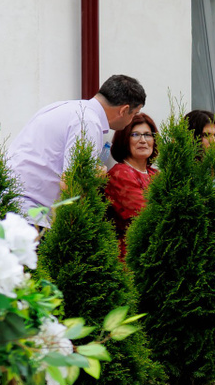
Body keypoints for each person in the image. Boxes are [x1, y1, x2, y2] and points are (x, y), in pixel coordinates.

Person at [11, 74, 145, 222]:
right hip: (31, 213)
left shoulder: (63, 107)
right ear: (124, 110)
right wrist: (96, 177)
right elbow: (71, 184)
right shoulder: (88, 122)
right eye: (134, 113)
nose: (131, 120)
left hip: (12, 202)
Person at [104, 111, 159, 256]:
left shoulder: (155, 174)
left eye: (148, 135)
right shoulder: (120, 174)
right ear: (124, 139)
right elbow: (145, 215)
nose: (143, 140)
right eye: (135, 135)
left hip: (158, 252)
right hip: (131, 255)